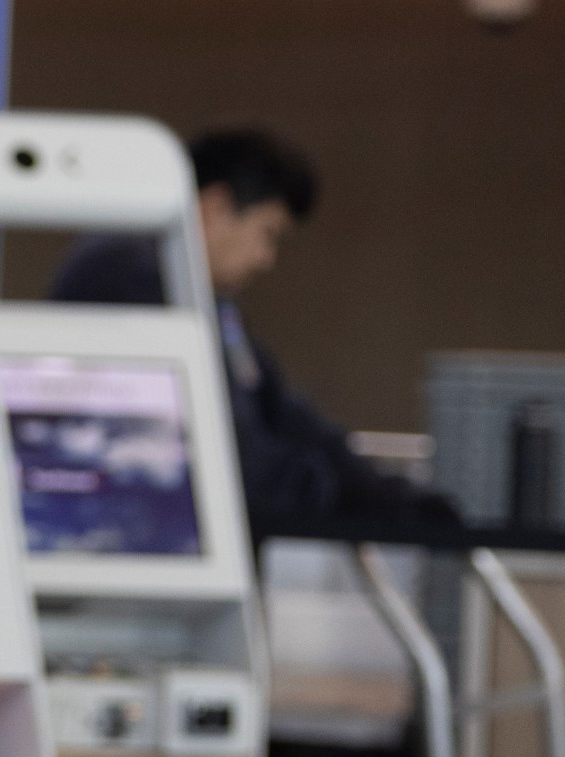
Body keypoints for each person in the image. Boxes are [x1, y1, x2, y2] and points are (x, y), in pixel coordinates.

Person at [51, 124, 449, 529]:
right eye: (267, 234)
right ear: (215, 208)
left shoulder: (206, 299)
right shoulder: (123, 275)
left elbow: (284, 410)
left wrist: (386, 496)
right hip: (131, 544)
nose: (265, 259)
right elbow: (222, 455)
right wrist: (330, 492)